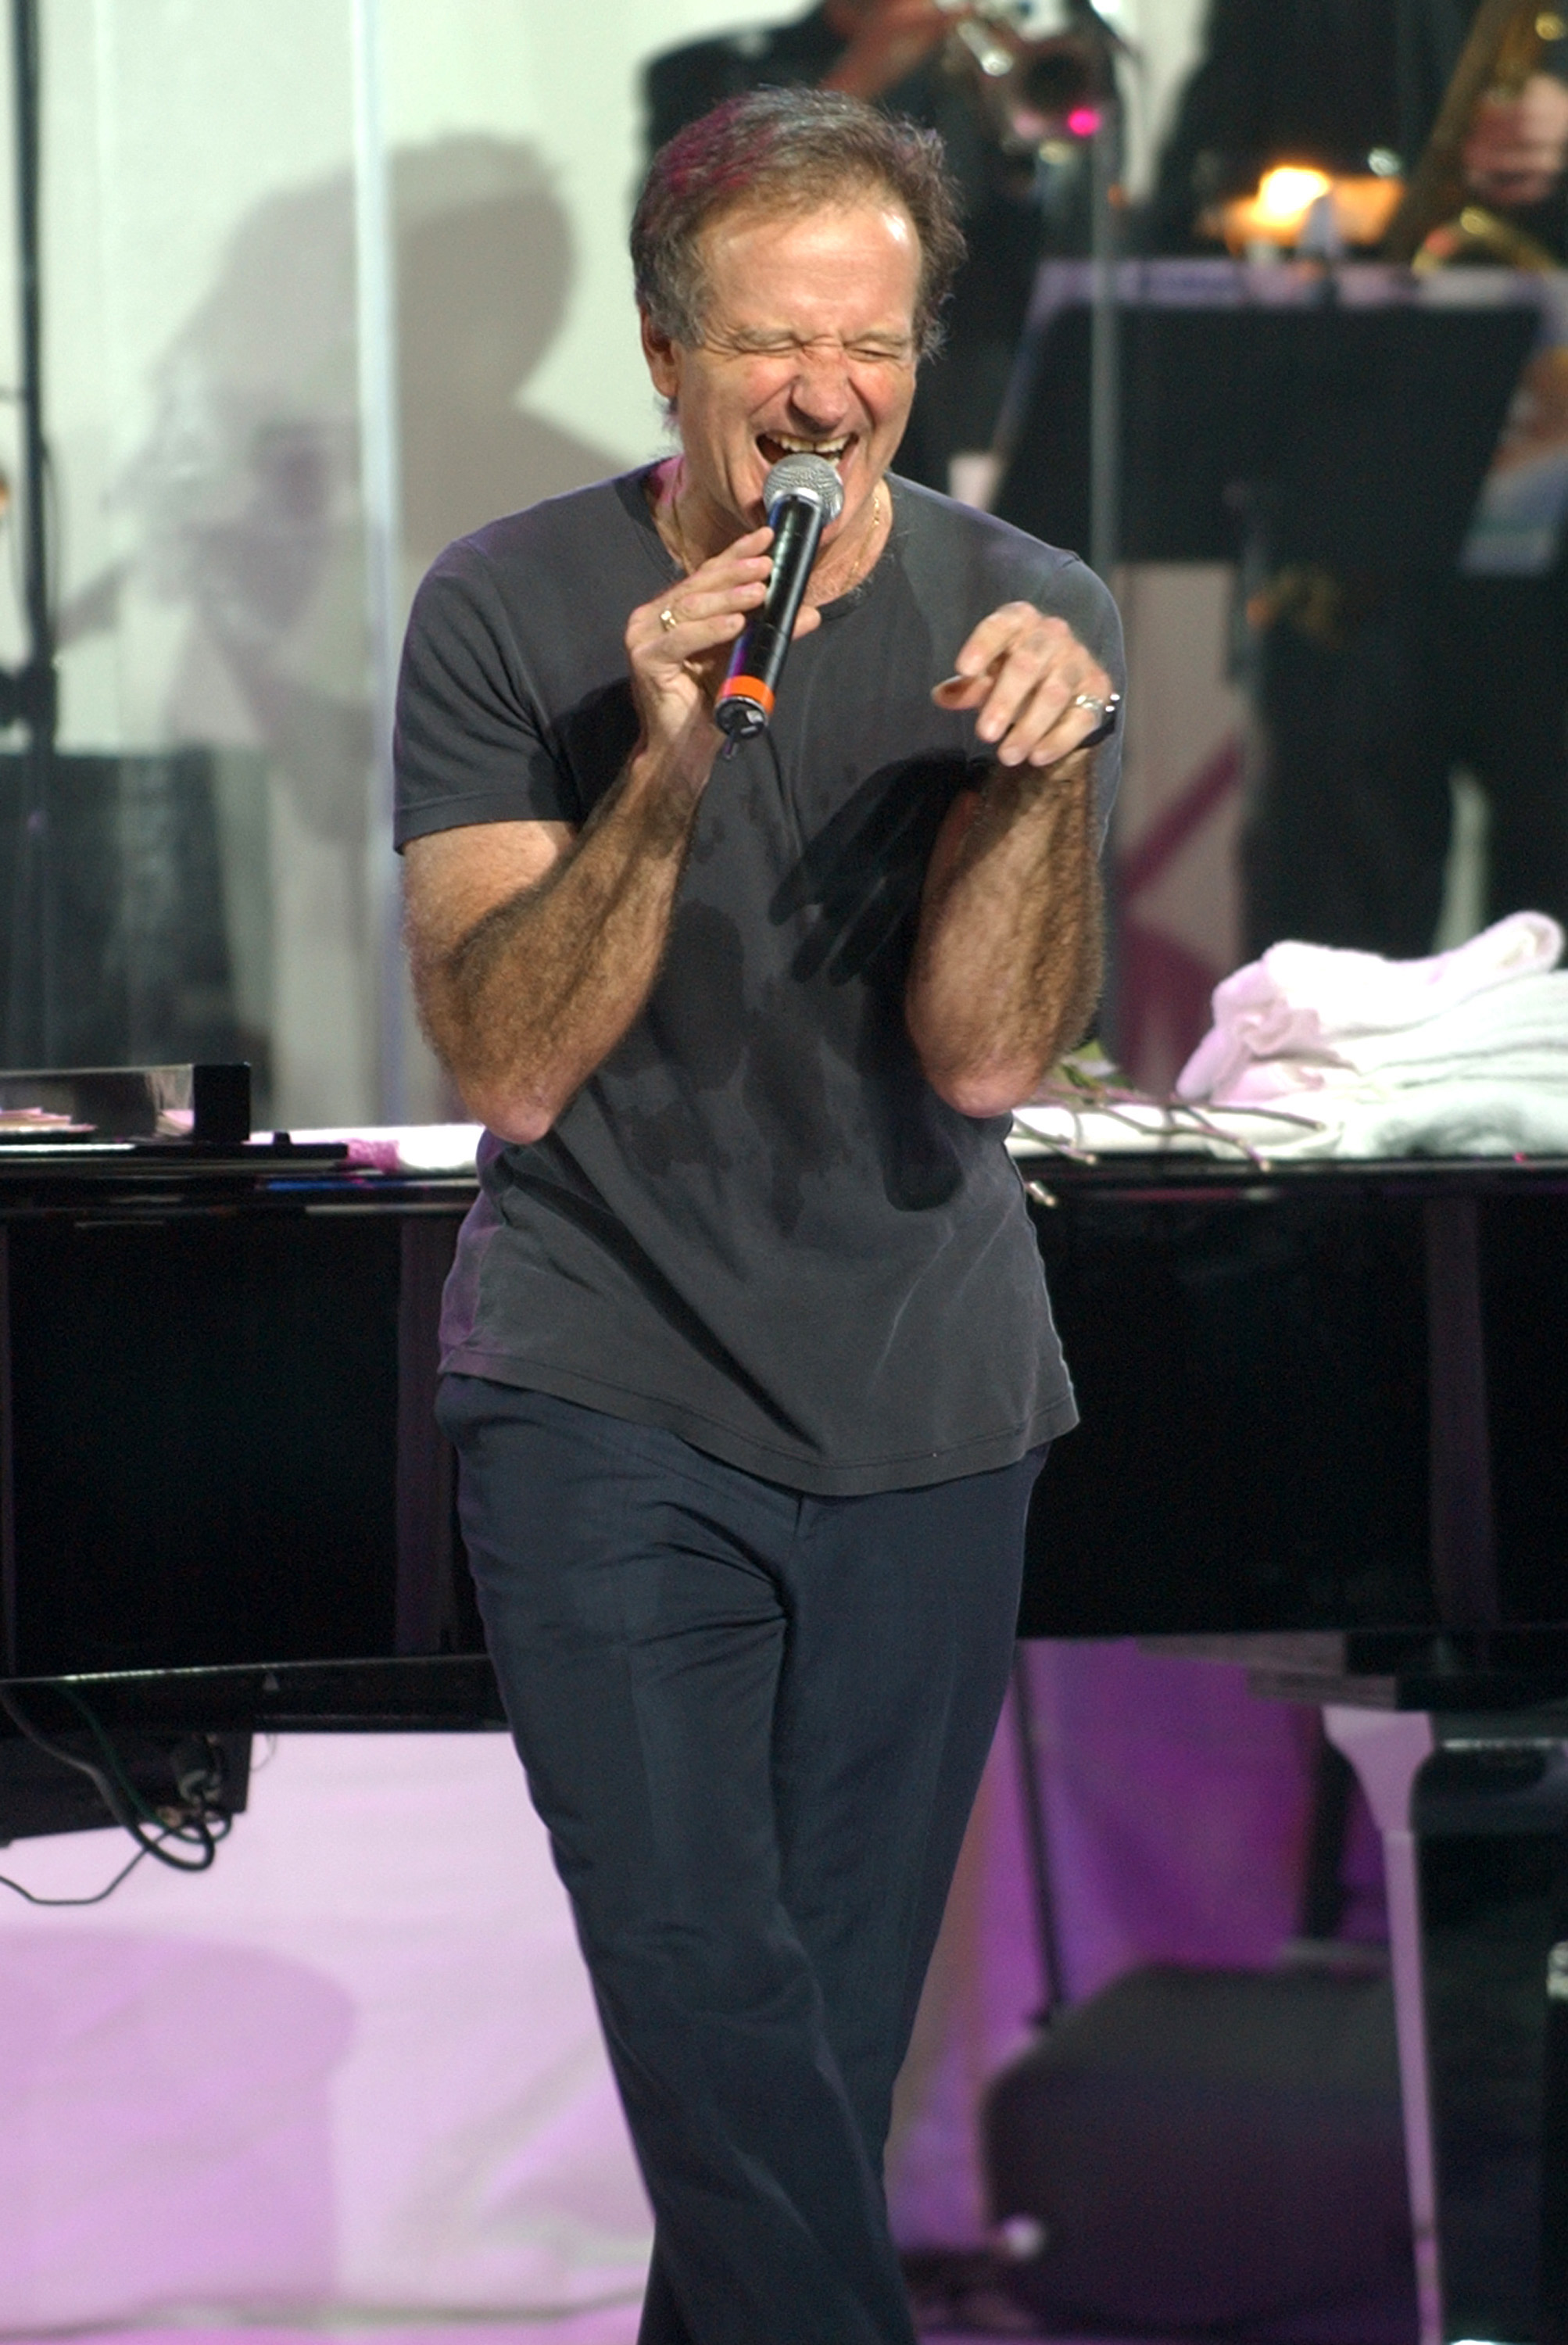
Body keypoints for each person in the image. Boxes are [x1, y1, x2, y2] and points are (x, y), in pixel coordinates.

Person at [394, 87, 1122, 2345]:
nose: (829, 398)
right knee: (707, 1996)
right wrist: (677, 744)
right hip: (605, 1396)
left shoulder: (1030, 612)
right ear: (661, 347)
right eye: (773, 349)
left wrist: (1041, 791)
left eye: (875, 348)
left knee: (801, 2061)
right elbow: (507, 1058)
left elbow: (989, 1060)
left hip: (924, 1408)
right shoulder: (508, 604)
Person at [1146, 0, 1568, 959]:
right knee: (1333, 895)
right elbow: (1192, 198)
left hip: (1549, 506)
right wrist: (1308, 213)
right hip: (1348, 490)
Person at [643, 0, 1070, 496]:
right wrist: (863, 72)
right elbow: (672, 234)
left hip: (992, 399)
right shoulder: (715, 68)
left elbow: (1026, 243)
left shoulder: (965, 70)